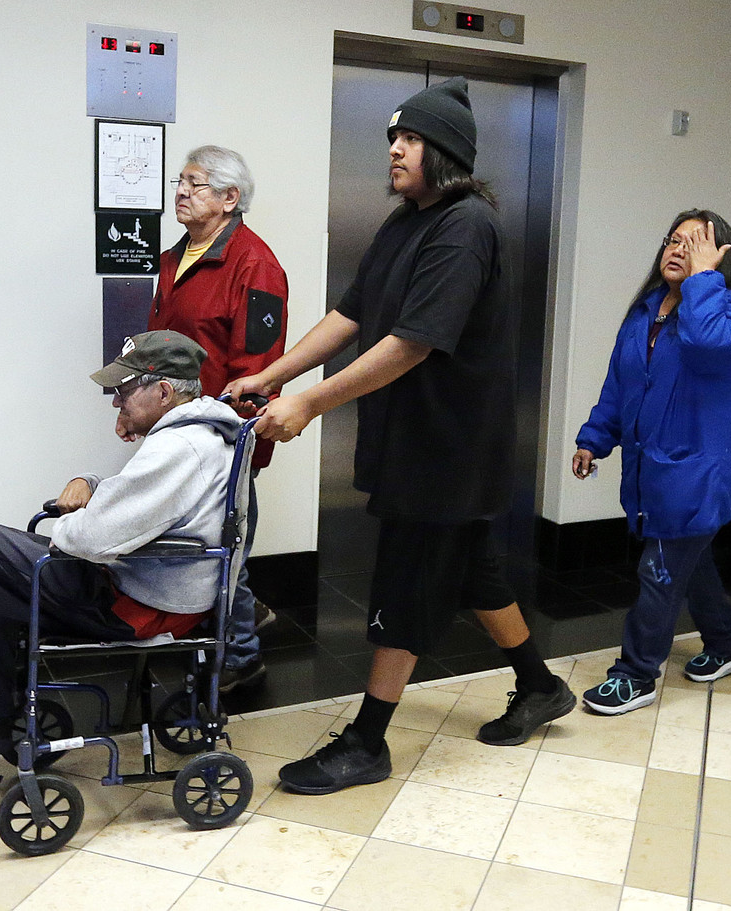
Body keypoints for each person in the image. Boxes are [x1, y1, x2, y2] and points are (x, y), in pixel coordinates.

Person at [226, 76, 574, 794]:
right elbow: (351, 316)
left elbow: (412, 342)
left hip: (448, 447)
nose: (393, 148)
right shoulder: (405, 221)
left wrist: (311, 404)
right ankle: (540, 685)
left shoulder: (465, 226)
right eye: (392, 136)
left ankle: (368, 740)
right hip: (415, 437)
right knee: (473, 570)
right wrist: (272, 375)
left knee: (407, 584)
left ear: (445, 151)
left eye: (409, 138)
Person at [0, 331, 242, 752]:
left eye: (124, 391)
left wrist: (73, 521)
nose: (115, 402)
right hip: (142, 588)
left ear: (162, 391)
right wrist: (88, 483)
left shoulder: (180, 447)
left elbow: (90, 539)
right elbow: (141, 502)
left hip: (135, 604)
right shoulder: (190, 437)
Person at [571, 211, 731, 714]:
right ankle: (729, 642)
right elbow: (620, 386)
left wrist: (705, 280)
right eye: (673, 240)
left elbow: (708, 347)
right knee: (690, 560)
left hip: (701, 470)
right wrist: (594, 439)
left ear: (720, 257)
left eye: (695, 244)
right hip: (653, 466)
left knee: (659, 569)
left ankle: (635, 674)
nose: (679, 249)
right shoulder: (645, 313)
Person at [147, 145, 288, 692]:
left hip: (221, 436)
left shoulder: (256, 266)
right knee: (203, 543)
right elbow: (159, 348)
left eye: (196, 184)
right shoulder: (173, 257)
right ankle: (245, 617)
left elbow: (257, 366)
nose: (181, 193)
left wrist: (237, 438)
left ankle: (242, 655)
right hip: (175, 432)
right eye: (180, 182)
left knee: (221, 545)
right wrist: (136, 411)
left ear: (231, 198)